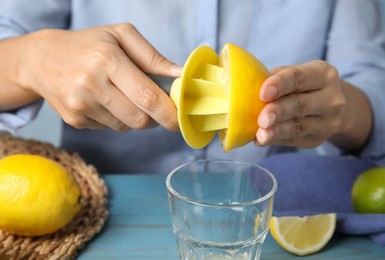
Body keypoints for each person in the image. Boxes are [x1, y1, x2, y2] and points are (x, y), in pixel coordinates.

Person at [0, 0, 384, 174]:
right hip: (109, 214)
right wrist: (31, 58)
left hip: (277, 216)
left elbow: (371, 84)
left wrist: (342, 110)